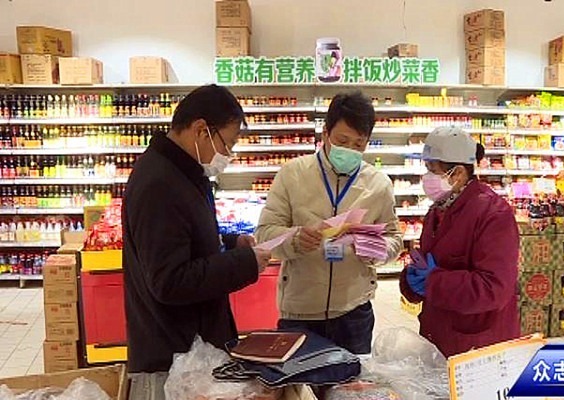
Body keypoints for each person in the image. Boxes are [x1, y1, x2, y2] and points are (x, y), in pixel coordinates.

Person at [122, 84, 271, 375]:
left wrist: (229, 243)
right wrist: (244, 264)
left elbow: (185, 238)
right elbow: (170, 281)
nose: (228, 154)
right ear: (202, 130)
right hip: (174, 357)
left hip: (189, 347)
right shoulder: (159, 185)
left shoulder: (182, 172)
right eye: (227, 144)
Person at [256, 91, 403, 355]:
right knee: (300, 381)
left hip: (354, 312)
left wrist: (375, 249)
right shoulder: (292, 174)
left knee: (352, 381)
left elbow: (394, 239)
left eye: (358, 144)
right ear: (325, 134)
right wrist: (296, 239)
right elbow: (265, 235)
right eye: (342, 141)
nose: (350, 150)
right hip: (300, 312)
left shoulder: (379, 184)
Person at [399, 126, 520, 358]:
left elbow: (494, 288)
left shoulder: (494, 214)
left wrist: (433, 281)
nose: (427, 178)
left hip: (478, 347)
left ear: (458, 173)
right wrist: (412, 280)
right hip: (439, 336)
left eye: (433, 170)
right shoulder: (438, 210)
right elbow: (432, 263)